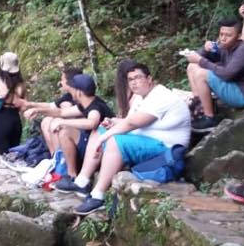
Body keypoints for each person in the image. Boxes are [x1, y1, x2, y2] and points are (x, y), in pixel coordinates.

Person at [55, 63, 191, 215]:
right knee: (99, 129)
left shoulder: (161, 96)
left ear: (149, 79)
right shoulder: (140, 98)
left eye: (138, 78)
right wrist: (112, 122)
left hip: (167, 149)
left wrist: (105, 137)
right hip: (146, 141)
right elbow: (128, 121)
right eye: (130, 79)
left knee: (114, 141)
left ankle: (98, 196)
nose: (133, 82)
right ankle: (82, 181)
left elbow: (133, 123)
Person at [185, 17, 244, 133]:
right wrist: (205, 49)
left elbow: (227, 74)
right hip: (235, 86)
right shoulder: (225, 47)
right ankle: (200, 107)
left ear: (238, 36)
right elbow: (196, 57)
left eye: (228, 35)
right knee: (192, 67)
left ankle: (210, 118)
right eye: (221, 34)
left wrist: (201, 60)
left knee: (201, 74)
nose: (223, 38)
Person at [45, 73, 113, 180]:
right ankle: (62, 168)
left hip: (100, 149)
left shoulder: (95, 107)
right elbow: (62, 112)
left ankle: (71, 175)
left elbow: (92, 122)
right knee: (65, 129)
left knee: (65, 132)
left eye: (72, 88)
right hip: (94, 144)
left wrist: (63, 123)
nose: (70, 90)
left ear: (79, 92)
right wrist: (37, 110)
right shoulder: (87, 103)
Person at [13, 65, 84, 153]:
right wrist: (29, 104)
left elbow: (62, 112)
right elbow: (52, 106)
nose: (60, 82)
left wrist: (37, 110)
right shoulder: (69, 95)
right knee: (47, 121)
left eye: (62, 80)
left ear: (70, 82)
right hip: (71, 128)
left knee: (60, 115)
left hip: (82, 134)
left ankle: (62, 158)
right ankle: (55, 156)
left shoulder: (83, 97)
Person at [0, 52, 26, 154]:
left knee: (2, 155)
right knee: (14, 154)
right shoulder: (22, 84)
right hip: (15, 120)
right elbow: (24, 106)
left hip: (0, 120)